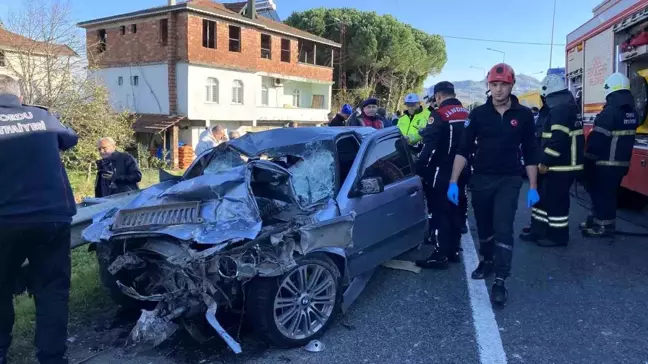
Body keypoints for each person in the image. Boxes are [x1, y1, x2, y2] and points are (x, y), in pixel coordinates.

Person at [0, 75, 79, 364]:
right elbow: (70, 139)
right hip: (51, 218)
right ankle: (52, 357)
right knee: (52, 290)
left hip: (3, 220)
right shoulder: (42, 115)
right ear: (19, 97)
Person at [447, 63, 539, 305]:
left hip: (509, 180)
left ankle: (501, 278)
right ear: (489, 86)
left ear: (512, 85)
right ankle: (486, 261)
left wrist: (533, 186)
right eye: (494, 85)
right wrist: (453, 182)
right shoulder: (477, 114)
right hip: (481, 179)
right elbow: (463, 149)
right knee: (484, 227)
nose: (498, 90)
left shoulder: (524, 115)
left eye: (503, 85)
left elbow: (531, 152)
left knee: (503, 226)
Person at [519, 74, 584, 247]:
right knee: (543, 199)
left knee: (556, 202)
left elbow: (558, 139)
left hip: (560, 166)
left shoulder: (561, 109)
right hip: (556, 165)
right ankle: (538, 229)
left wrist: (545, 161)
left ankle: (558, 236)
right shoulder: (562, 106)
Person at [415, 81, 470, 269]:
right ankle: (454, 249)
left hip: (442, 171)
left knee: (439, 211)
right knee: (456, 209)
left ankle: (439, 254)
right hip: (463, 170)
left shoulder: (438, 115)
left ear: (438, 96)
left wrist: (419, 168)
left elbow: (430, 149)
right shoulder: (467, 114)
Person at [581, 72, 638, 237]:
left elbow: (598, 140)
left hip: (605, 163)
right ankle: (596, 220)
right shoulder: (632, 113)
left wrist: (588, 159)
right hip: (621, 164)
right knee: (607, 194)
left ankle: (603, 227)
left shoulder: (610, 112)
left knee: (601, 195)